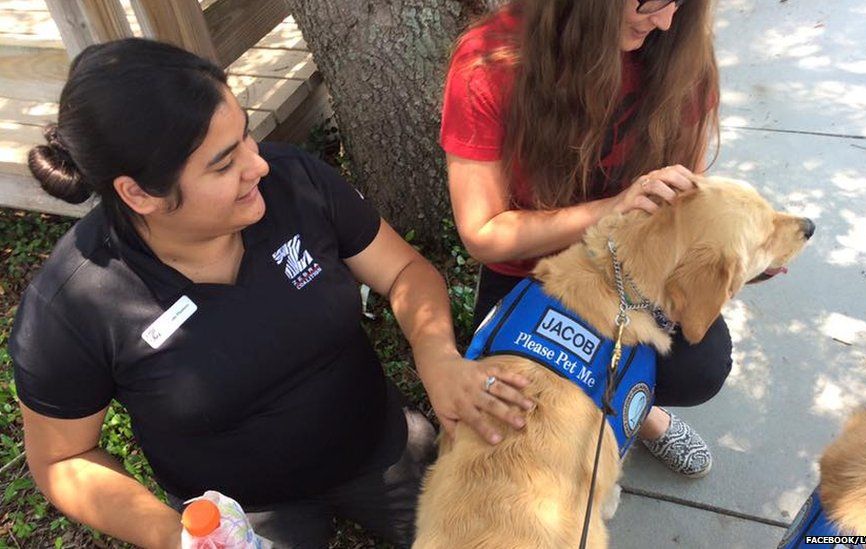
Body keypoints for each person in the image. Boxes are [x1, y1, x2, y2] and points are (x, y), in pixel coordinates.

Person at [12, 38, 535, 548]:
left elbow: (404, 272)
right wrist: (177, 535)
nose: (257, 164)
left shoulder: (293, 183)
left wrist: (436, 354)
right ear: (139, 193)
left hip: (378, 446)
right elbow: (63, 458)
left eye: (245, 136)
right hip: (240, 509)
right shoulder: (74, 303)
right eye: (223, 164)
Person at [441, 0, 729, 478]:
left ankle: (634, 412)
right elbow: (484, 234)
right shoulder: (491, 61)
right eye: (654, 1)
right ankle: (631, 409)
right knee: (514, 418)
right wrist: (608, 209)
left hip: (634, 265)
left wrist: (725, 253)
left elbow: (688, 194)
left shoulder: (680, 47)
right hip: (532, 273)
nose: (667, 21)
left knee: (700, 367)